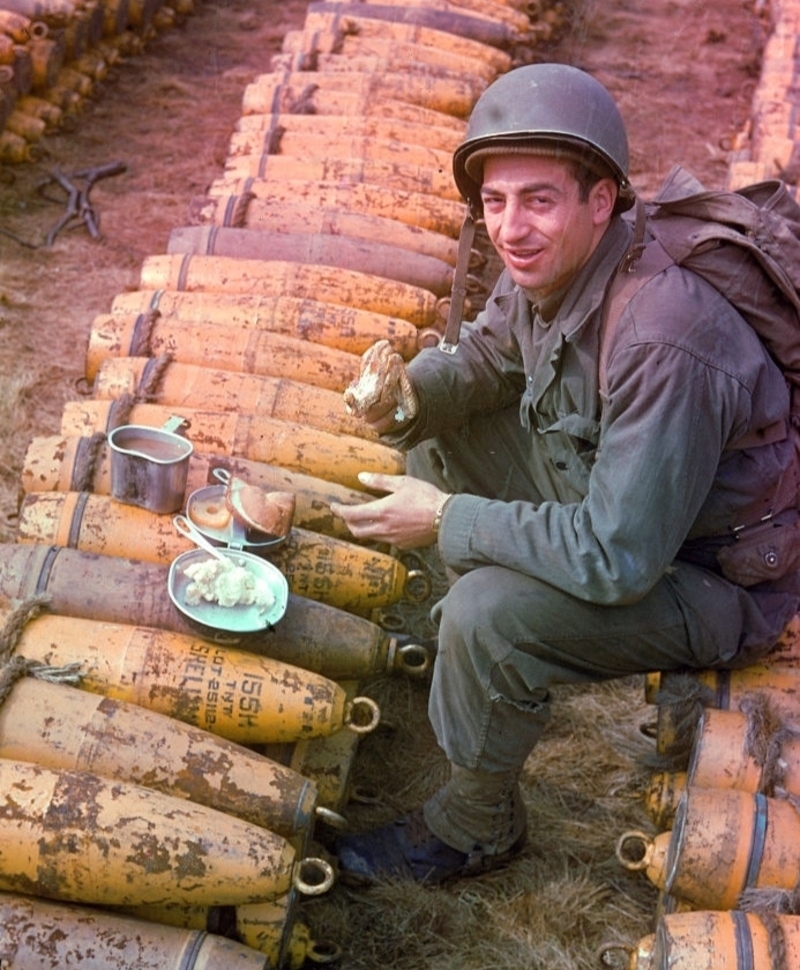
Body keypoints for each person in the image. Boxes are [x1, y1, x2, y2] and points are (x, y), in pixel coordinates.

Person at [329, 62, 800, 886]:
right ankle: (496, 675)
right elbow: (485, 355)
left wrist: (449, 522)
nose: (513, 228)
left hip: (707, 580)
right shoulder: (565, 267)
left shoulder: (664, 336)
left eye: (539, 199)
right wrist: (408, 396)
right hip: (630, 512)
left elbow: (617, 557)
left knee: (486, 613)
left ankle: (475, 828)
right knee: (439, 439)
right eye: (496, 203)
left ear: (602, 201)